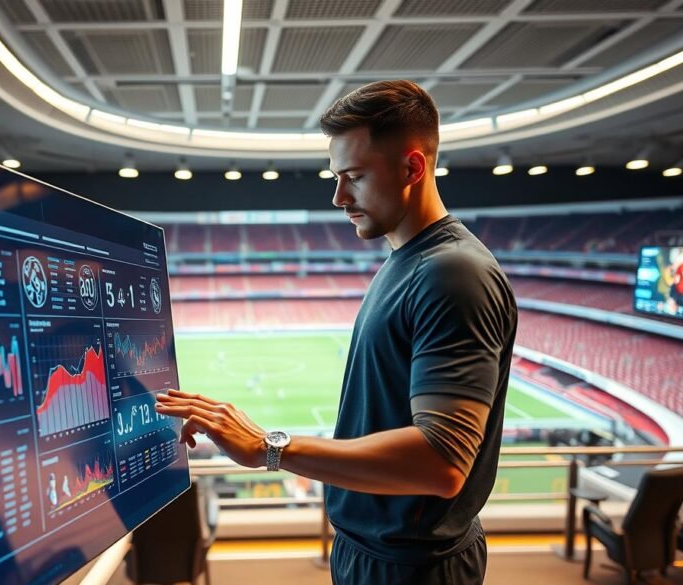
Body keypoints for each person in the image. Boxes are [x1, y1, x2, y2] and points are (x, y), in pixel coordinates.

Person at [155, 80, 517, 585]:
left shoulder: (453, 272)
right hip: (373, 553)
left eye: (354, 176)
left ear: (412, 168)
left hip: (412, 568)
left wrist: (269, 446)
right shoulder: (406, 262)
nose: (338, 195)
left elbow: (443, 460)